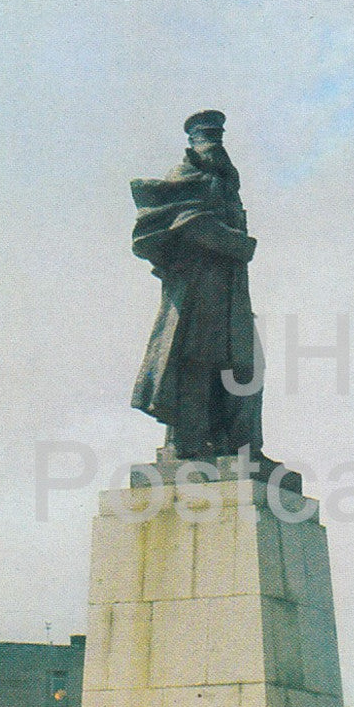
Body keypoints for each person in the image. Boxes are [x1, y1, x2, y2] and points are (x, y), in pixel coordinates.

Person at [130, 110, 264, 459]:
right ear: (194, 142)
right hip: (195, 290)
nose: (214, 144)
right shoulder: (183, 175)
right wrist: (234, 242)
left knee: (246, 367)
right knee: (195, 362)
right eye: (207, 137)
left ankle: (245, 448)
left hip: (231, 289)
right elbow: (180, 222)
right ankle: (188, 444)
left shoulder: (226, 183)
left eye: (218, 137)